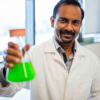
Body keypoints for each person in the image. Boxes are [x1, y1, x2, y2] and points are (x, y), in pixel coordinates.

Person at [0, 0, 100, 100]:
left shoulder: (92, 60)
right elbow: (8, 91)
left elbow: (97, 93)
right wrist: (6, 71)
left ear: (80, 25)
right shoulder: (33, 54)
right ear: (52, 21)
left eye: (75, 22)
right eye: (63, 20)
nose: (69, 28)